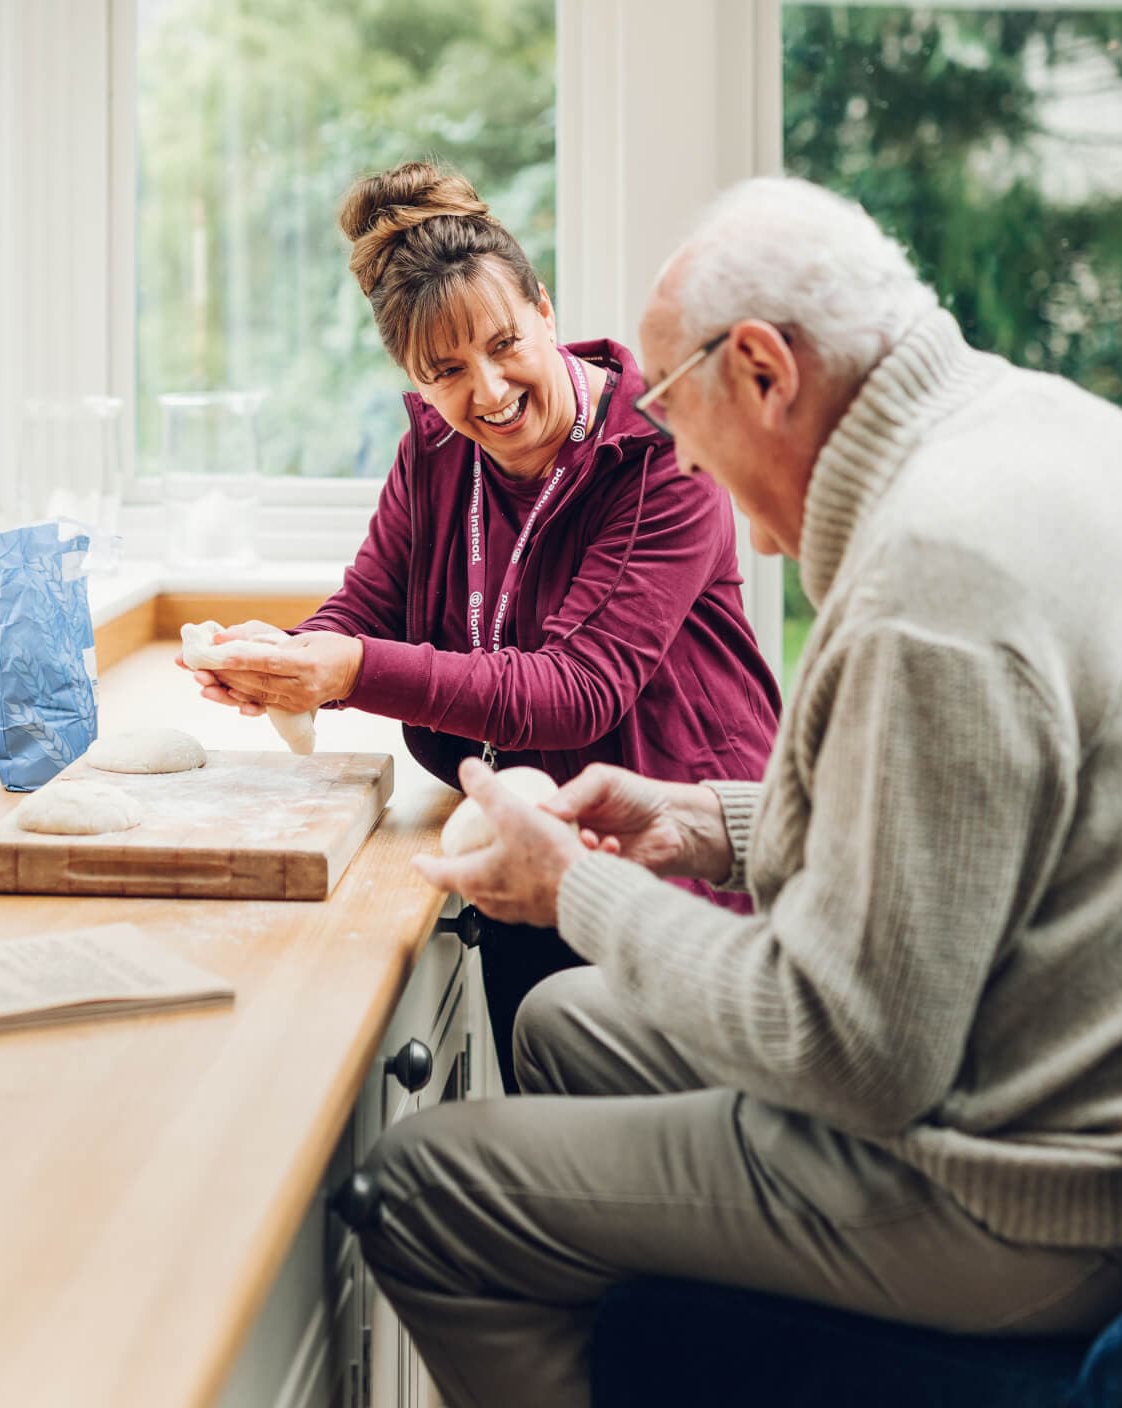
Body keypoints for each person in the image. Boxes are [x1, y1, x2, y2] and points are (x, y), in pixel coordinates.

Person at [351, 176, 1122, 1408]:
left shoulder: (934, 581)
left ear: (765, 367)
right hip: (1019, 1072)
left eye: (680, 412)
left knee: (421, 1184)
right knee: (562, 1020)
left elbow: (858, 1047)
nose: (688, 462)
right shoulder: (1042, 427)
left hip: (1016, 1183)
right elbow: (972, 827)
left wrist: (581, 885)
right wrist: (702, 819)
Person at [185, 161, 779, 1087]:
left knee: (636, 1187)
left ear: (544, 308)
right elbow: (367, 607)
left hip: (674, 871)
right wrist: (283, 658)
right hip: (518, 847)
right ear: (412, 379)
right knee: (565, 1148)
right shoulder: (433, 447)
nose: (489, 391)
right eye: (445, 372)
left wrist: (345, 672)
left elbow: (575, 691)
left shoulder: (660, 455)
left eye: (504, 344)